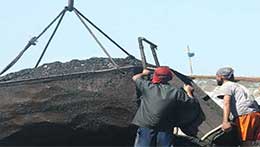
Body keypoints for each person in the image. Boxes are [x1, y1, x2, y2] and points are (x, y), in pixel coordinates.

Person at [132, 66, 195, 147]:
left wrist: (144, 73)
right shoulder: (176, 92)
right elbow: (191, 102)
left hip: (147, 125)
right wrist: (188, 91)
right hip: (165, 126)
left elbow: (135, 77)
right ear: (169, 78)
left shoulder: (148, 87)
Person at [215, 67, 260, 145]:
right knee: (251, 142)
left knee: (245, 142)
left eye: (216, 76)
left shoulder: (227, 85)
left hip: (245, 115)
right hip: (255, 114)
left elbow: (226, 103)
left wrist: (225, 121)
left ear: (220, 77)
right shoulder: (238, 86)